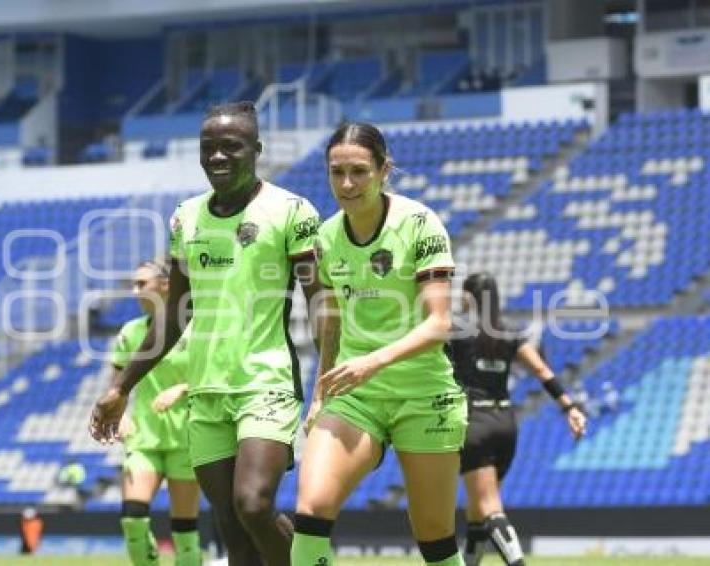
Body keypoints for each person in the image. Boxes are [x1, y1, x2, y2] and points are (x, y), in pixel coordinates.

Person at [91, 101, 322, 566]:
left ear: (255, 150)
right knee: (235, 536)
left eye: (230, 147)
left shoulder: (291, 211)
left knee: (253, 505)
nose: (217, 156)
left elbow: (322, 305)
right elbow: (173, 315)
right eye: (208, 148)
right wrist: (121, 388)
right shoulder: (186, 218)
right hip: (207, 392)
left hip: (266, 382)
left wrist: (328, 382)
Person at [293, 122, 467, 565]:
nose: (347, 184)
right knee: (311, 508)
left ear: (384, 170)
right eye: (337, 172)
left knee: (435, 538)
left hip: (423, 394)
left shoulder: (420, 224)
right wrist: (319, 395)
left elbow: (439, 324)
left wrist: (374, 361)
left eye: (359, 171)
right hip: (355, 397)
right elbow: (331, 325)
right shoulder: (326, 238)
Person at [450, 273, 587, 566]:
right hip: (506, 424)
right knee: (477, 511)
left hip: (475, 423)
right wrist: (570, 407)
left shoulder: (457, 333)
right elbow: (542, 371)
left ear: (470, 297)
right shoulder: (510, 334)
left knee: (489, 507)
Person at [113, 261, 202, 566]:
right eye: (133, 284)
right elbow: (117, 383)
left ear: (165, 285)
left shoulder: (196, 327)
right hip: (144, 436)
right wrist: (120, 414)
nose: (135, 290)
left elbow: (219, 374)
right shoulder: (129, 332)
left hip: (187, 438)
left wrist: (181, 389)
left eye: (142, 283)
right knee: (133, 520)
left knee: (184, 532)